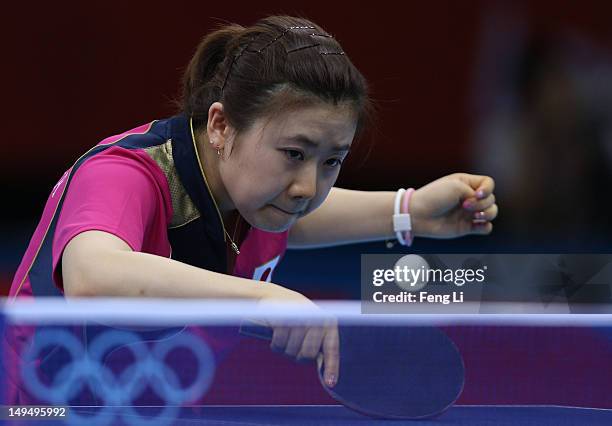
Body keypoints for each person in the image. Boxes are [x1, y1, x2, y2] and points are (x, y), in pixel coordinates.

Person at [7, 15, 497, 393]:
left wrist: (408, 211)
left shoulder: (252, 191)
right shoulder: (124, 174)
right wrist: (265, 297)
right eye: (294, 154)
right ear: (221, 126)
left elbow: (291, 220)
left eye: (332, 161)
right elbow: (93, 278)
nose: (308, 185)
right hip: (35, 406)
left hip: (148, 407)